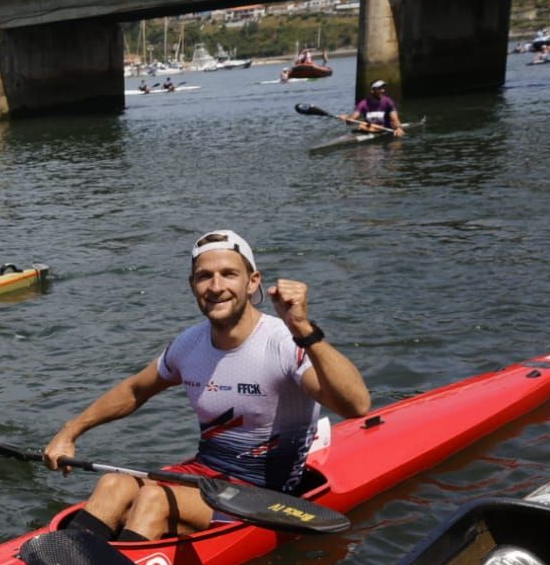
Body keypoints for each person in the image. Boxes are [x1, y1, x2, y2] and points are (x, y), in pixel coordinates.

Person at [42, 229, 371, 541]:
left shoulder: (284, 342)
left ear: (252, 281)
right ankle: (68, 562)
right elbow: (134, 390)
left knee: (154, 499)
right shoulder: (189, 344)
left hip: (265, 496)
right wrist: (68, 433)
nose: (216, 286)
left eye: (229, 274)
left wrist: (302, 326)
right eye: (204, 276)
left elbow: (356, 406)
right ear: (192, 285)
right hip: (205, 475)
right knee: (113, 484)